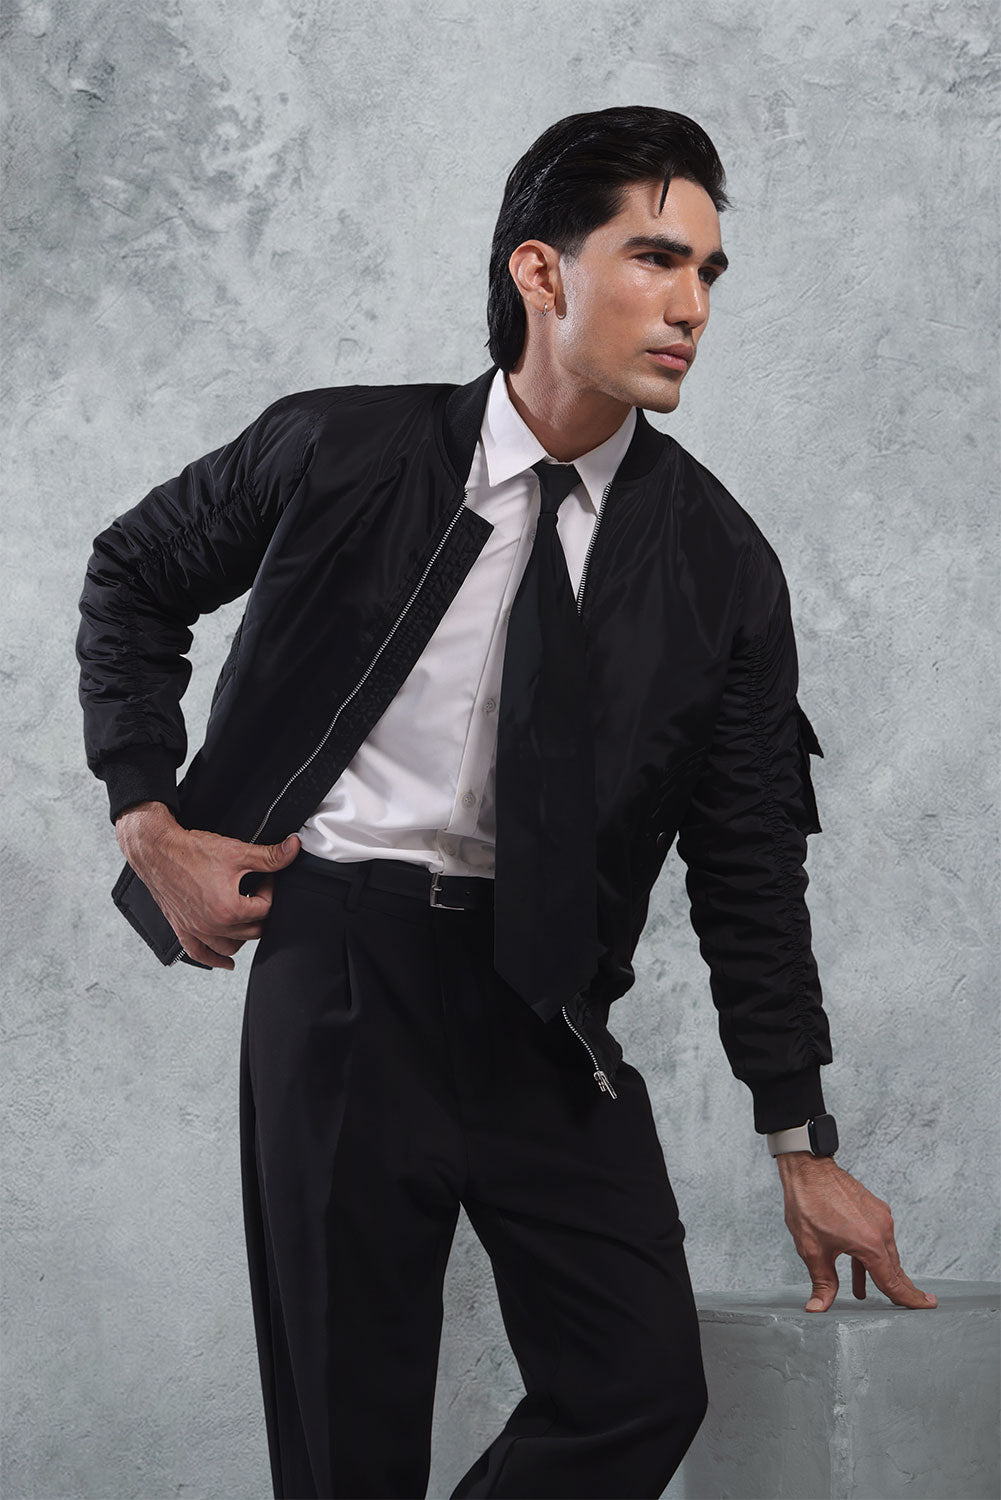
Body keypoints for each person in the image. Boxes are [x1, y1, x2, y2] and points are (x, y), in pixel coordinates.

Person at [76, 105, 937, 1500]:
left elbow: (747, 863)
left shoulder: (718, 564)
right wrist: (147, 820)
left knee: (636, 1387)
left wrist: (799, 1139)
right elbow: (132, 575)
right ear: (541, 271)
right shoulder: (339, 448)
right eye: (655, 258)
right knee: (346, 1448)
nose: (691, 307)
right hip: (341, 971)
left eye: (708, 272)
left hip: (542, 1000)